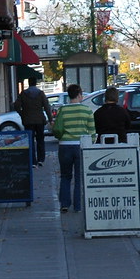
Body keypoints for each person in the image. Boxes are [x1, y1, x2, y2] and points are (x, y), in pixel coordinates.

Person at [52, 84, 95, 213]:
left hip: (64, 146)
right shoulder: (87, 110)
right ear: (79, 95)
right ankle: (78, 206)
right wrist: (90, 144)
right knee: (79, 177)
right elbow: (92, 132)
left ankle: (64, 204)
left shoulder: (62, 110)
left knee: (65, 176)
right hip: (80, 146)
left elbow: (57, 127)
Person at [13, 77, 52, 166]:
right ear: (35, 83)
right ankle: (40, 159)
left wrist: (22, 114)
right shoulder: (41, 93)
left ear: (29, 83)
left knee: (30, 141)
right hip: (39, 120)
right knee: (40, 140)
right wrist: (50, 119)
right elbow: (46, 107)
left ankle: (32, 161)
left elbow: (16, 105)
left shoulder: (23, 93)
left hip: (28, 120)